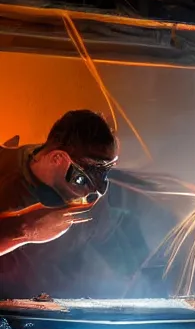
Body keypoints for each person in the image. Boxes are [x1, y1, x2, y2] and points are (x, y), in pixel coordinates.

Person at [0, 110, 118, 257]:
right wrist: (26, 231)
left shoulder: (76, 205)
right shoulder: (7, 184)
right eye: (81, 180)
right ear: (57, 158)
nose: (87, 193)